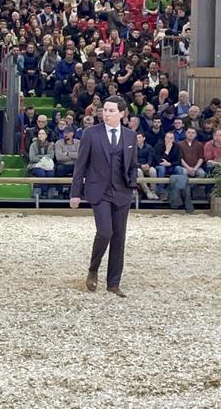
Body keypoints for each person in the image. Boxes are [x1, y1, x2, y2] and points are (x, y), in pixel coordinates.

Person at [70, 96, 138, 298]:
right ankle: (93, 268)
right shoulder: (91, 134)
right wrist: (75, 193)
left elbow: (133, 164)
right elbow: (80, 165)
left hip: (122, 192)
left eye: (110, 111)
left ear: (122, 114)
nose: (106, 114)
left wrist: (132, 184)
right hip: (98, 191)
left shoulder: (130, 136)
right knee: (105, 232)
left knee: (119, 238)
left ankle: (113, 283)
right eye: (104, 110)